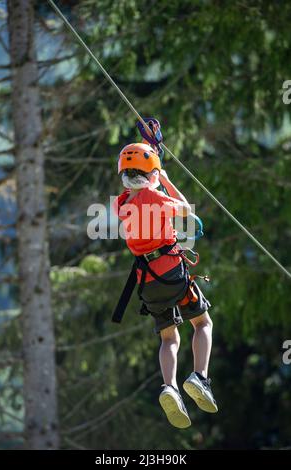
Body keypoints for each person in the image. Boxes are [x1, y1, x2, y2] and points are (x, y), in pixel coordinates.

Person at [113, 141, 218, 429]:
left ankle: (169, 386)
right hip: (172, 273)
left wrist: (154, 177)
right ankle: (199, 376)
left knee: (169, 338)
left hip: (146, 281)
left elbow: (139, 196)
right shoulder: (156, 196)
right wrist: (167, 181)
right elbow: (185, 209)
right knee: (202, 323)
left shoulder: (119, 203)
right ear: (152, 173)